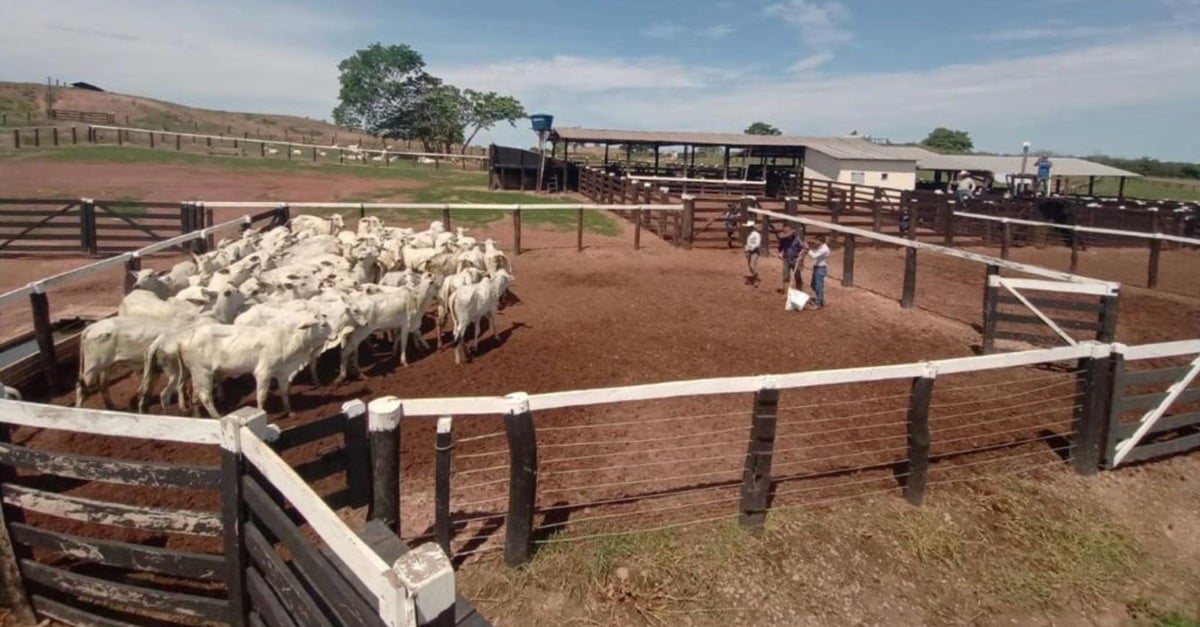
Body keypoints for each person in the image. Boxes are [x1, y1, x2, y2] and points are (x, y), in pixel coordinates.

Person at [807, 234, 830, 309]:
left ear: (820, 241)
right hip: (817, 268)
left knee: (818, 286)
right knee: (814, 285)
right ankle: (821, 300)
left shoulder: (824, 249)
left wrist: (808, 249)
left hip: (820, 268)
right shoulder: (820, 247)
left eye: (817, 241)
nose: (815, 242)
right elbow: (814, 251)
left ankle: (818, 304)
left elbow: (814, 256)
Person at [743, 220, 762, 285]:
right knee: (750, 265)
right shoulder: (750, 235)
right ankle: (753, 279)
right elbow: (748, 243)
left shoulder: (756, 235)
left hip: (754, 251)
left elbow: (757, 244)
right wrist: (746, 250)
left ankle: (756, 279)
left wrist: (750, 249)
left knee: (752, 264)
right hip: (750, 251)